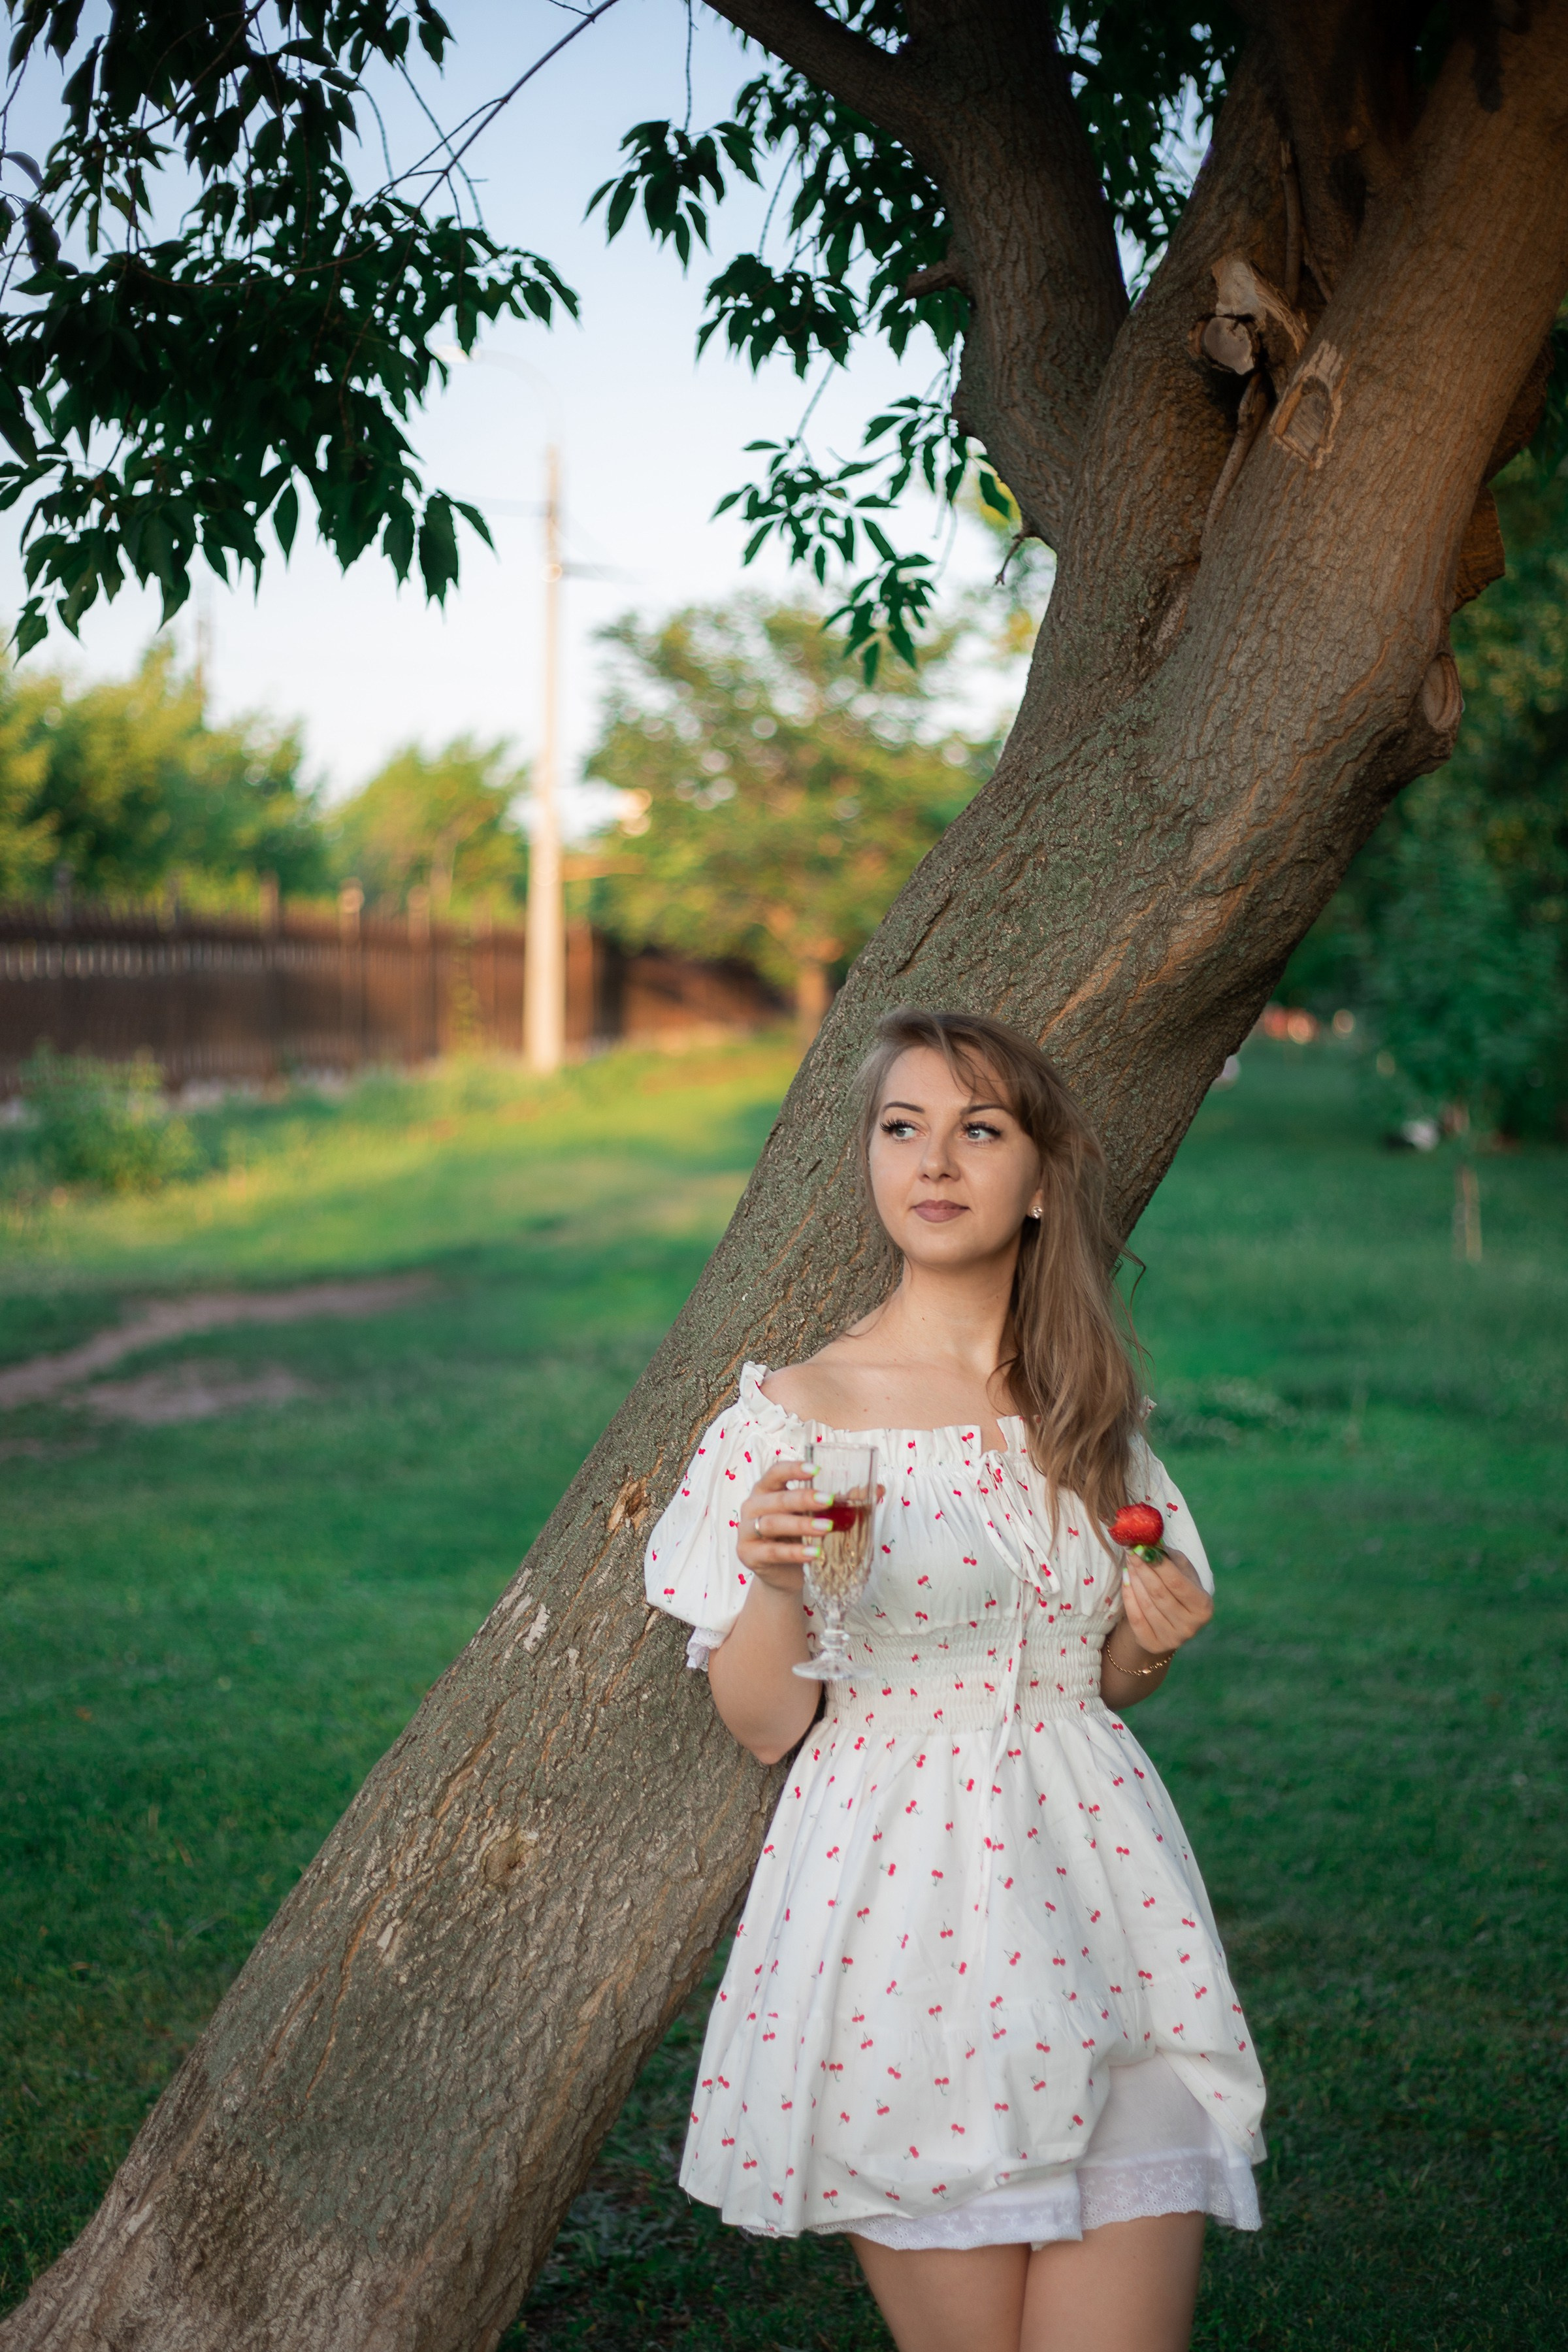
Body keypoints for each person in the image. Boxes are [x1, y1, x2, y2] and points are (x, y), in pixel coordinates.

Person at [643, 1009, 1264, 2352]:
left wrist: (1148, 1636)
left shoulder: (1086, 1405)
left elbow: (1103, 1679)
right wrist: (772, 1577)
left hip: (1104, 1899)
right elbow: (762, 1724)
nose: (935, 1161)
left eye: (979, 1130)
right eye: (903, 1128)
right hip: (900, 1916)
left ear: (1041, 1180)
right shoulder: (794, 1416)